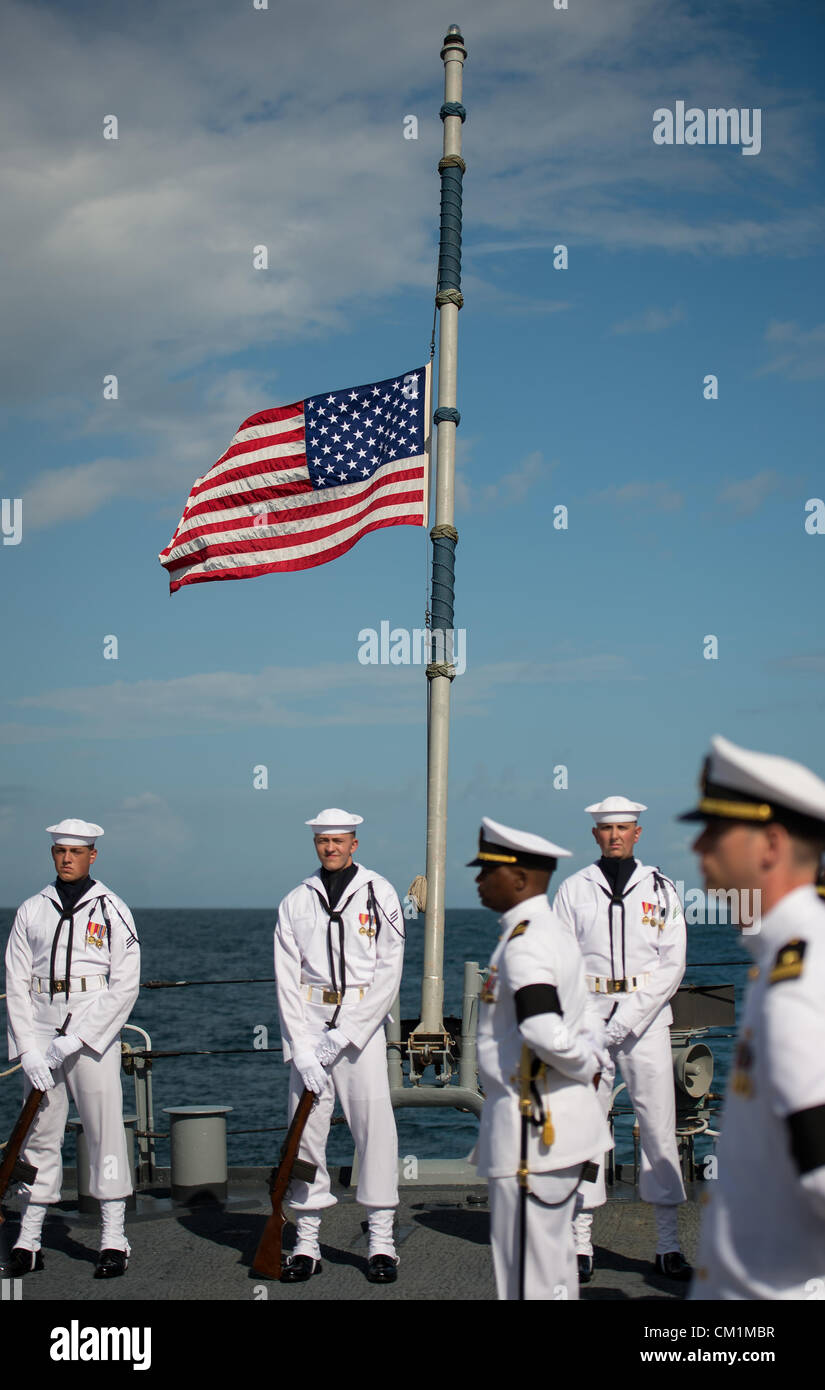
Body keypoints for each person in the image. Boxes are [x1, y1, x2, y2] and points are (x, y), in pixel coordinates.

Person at [684, 735, 825, 1299]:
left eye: (715, 830)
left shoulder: (800, 979)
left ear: (770, 844)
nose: (698, 844)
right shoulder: (783, 959)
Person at [469, 816, 611, 1301]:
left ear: (521, 879)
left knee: (526, 1275)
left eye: (487, 870)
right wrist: (590, 1053)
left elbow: (541, 1027)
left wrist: (585, 1063)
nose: (478, 880)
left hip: (532, 1132)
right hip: (558, 1125)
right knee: (552, 1272)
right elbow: (588, 1007)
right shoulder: (553, 931)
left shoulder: (525, 941)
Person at [552, 796, 690, 1281]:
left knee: (657, 1127)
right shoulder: (573, 889)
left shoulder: (662, 888)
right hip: (588, 1016)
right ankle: (580, 1243)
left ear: (637, 833)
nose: (614, 835)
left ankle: (668, 1244)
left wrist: (626, 1018)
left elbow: (671, 964)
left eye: (623, 829)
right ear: (595, 834)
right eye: (606, 829)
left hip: (646, 1018)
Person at [3, 819, 140, 1278]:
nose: (66, 859)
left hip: (90, 1026)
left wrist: (78, 1038)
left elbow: (124, 984)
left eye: (75, 852)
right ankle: (29, 1237)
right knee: (39, 1133)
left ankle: (113, 1238)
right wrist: (29, 1048)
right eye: (59, 851)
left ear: (92, 855)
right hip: (40, 1024)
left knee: (104, 1132)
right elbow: (16, 983)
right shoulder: (32, 910)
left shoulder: (112, 909)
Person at [273, 808, 405, 1284]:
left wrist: (346, 1032)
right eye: (322, 841)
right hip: (308, 1026)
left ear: (354, 844)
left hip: (361, 1032)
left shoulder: (380, 892)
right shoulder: (295, 901)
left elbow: (389, 971)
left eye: (338, 841)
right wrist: (303, 1050)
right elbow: (286, 981)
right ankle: (306, 1242)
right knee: (306, 1136)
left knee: (374, 1131)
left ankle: (382, 1242)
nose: (330, 848)